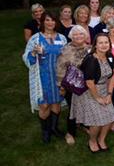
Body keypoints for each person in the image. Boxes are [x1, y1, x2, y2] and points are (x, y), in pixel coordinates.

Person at [23, 11, 68, 143]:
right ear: (42, 22)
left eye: (53, 20)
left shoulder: (62, 38)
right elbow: (26, 57)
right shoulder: (36, 38)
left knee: (56, 102)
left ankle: (54, 128)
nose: (50, 23)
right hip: (42, 77)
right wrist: (32, 52)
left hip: (59, 76)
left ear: (56, 22)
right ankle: (46, 131)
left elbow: (65, 55)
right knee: (44, 105)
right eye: (47, 20)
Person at [70, 33, 114, 153]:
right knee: (97, 121)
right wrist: (98, 98)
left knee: (110, 117)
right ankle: (92, 140)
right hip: (89, 92)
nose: (104, 45)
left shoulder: (110, 56)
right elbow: (89, 83)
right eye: (100, 43)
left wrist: (109, 94)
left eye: (106, 42)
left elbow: (112, 76)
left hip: (104, 89)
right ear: (95, 45)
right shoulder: (91, 60)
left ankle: (101, 140)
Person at [56, 25, 91, 145]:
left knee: (87, 105)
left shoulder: (90, 48)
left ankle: (85, 125)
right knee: (73, 108)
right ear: (71, 36)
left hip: (87, 84)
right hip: (71, 85)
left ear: (85, 35)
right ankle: (70, 132)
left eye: (81, 34)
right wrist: (61, 86)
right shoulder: (66, 49)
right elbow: (60, 68)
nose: (78, 36)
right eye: (75, 34)